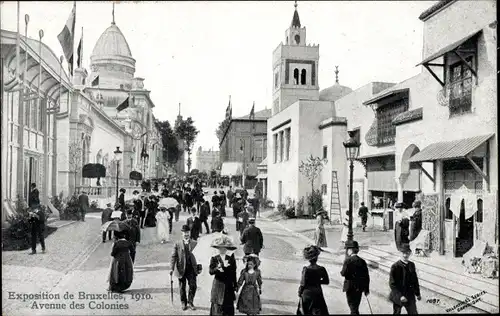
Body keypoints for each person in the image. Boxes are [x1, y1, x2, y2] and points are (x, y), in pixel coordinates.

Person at [170, 225, 200, 311]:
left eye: (187, 232)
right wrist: (171, 268)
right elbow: (173, 256)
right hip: (181, 268)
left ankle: (190, 302)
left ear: (189, 233)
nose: (186, 234)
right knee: (182, 286)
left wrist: (199, 267)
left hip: (191, 268)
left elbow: (198, 256)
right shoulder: (177, 244)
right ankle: (183, 302)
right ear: (182, 233)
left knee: (193, 285)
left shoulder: (194, 243)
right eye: (184, 233)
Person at [209, 234, 238, 316]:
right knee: (217, 308)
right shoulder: (214, 258)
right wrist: (217, 269)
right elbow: (211, 271)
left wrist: (235, 285)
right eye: (221, 247)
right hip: (218, 286)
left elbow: (233, 272)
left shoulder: (231, 257)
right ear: (218, 248)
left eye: (224, 247)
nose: (222, 249)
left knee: (227, 308)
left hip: (228, 286)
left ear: (227, 248)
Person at [389, 243, 421, 314]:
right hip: (398, 296)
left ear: (410, 253)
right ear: (400, 253)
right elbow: (392, 284)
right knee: (397, 312)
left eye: (407, 253)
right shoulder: (395, 266)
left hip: (410, 295)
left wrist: (417, 293)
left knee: (413, 312)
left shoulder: (411, 265)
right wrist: (400, 296)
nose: (405, 255)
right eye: (403, 253)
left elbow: (415, 280)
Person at [297, 245, 329, 315]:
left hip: (307, 294)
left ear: (308, 259)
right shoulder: (322, 269)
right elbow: (326, 281)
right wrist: (317, 281)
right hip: (318, 293)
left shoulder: (306, 269)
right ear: (317, 258)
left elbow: (303, 283)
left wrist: (300, 292)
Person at [341, 240, 370, 315]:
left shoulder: (348, 261)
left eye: (347, 249)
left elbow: (343, 273)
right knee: (355, 307)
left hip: (350, 287)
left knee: (352, 308)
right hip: (359, 288)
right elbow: (366, 276)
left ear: (350, 250)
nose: (347, 251)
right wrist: (366, 289)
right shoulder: (362, 261)